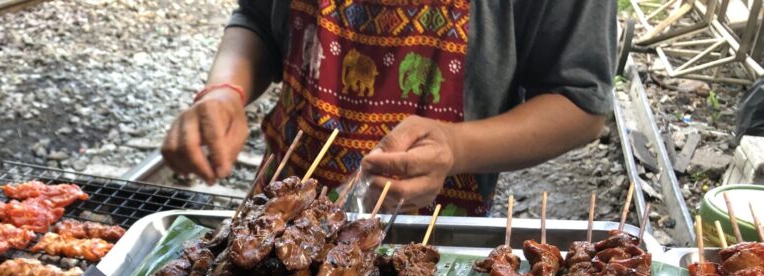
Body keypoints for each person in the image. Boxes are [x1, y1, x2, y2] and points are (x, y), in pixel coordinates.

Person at [161, 1, 617, 215]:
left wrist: (456, 145)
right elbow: (258, 19)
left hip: (431, 232)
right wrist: (225, 91)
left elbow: (580, 102)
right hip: (277, 214)